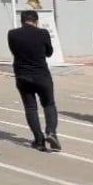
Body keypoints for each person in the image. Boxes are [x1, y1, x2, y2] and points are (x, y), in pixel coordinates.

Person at [8, 11, 60, 152]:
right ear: (36, 21)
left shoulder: (12, 34)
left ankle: (39, 140)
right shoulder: (43, 33)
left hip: (22, 75)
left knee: (31, 108)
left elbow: (14, 51)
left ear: (22, 21)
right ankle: (51, 132)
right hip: (41, 74)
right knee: (49, 104)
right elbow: (49, 52)